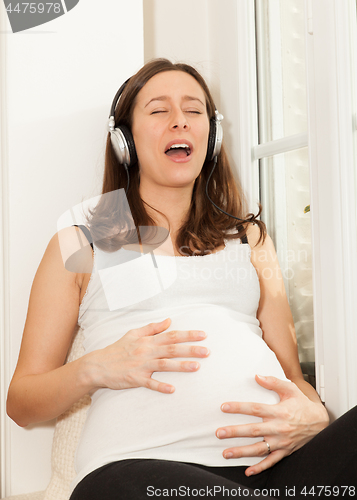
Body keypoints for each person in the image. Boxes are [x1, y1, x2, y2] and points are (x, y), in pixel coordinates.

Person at [6, 59, 356, 500]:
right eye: (158, 111)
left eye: (194, 111)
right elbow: (22, 401)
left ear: (212, 135)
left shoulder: (248, 238)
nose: (179, 121)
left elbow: (291, 373)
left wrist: (316, 418)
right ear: (124, 140)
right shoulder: (83, 240)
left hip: (272, 466)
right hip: (141, 470)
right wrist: (96, 368)